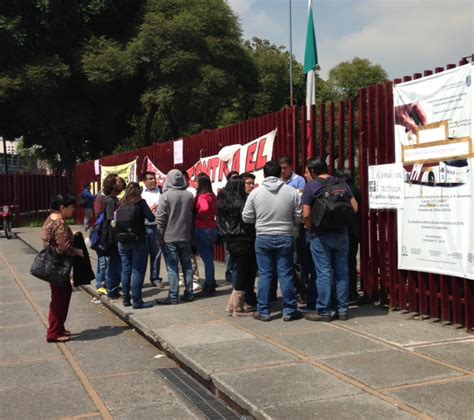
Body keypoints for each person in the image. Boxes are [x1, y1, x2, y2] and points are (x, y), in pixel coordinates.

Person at [242, 161, 303, 322]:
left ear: (264, 174)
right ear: (280, 173)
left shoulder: (256, 193)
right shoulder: (291, 192)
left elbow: (246, 216)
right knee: (286, 274)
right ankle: (290, 310)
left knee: (265, 275)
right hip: (285, 235)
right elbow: (298, 216)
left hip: (263, 236)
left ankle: (263, 310)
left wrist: (259, 219)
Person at [302, 158, 358, 322]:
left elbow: (305, 214)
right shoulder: (341, 182)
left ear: (313, 171)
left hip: (321, 235)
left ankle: (324, 311)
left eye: (306, 172)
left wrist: (310, 227)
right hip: (341, 234)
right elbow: (354, 207)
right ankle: (342, 310)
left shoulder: (311, 186)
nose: (305, 175)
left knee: (324, 273)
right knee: (342, 272)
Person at [42, 194, 84, 343]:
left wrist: (71, 235)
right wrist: (77, 251)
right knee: (59, 298)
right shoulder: (59, 222)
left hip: (53, 264)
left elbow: (56, 239)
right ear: (62, 208)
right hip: (58, 265)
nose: (73, 211)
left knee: (62, 294)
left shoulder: (51, 218)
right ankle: (53, 332)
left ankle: (58, 327)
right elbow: (63, 247)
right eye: (72, 207)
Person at [217, 177, 257, 316]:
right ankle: (238, 308)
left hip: (230, 239)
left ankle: (231, 305)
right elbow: (248, 220)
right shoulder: (242, 202)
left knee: (239, 271)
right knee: (244, 273)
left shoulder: (223, 202)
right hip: (244, 239)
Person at [156, 169, 195, 304]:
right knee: (187, 266)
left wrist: (159, 236)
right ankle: (189, 292)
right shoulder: (189, 195)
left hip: (169, 236)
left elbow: (161, 219)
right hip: (185, 235)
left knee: (173, 267)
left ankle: (173, 296)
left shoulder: (165, 196)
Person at [116, 182, 155, 309]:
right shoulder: (141, 203)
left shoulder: (121, 203)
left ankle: (126, 299)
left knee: (125, 269)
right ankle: (137, 301)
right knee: (137, 271)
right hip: (138, 240)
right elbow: (151, 218)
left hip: (122, 240)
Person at [336, 168, 362, 303]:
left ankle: (342, 294)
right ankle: (352, 292)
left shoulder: (341, 191)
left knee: (339, 264)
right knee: (351, 263)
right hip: (355, 232)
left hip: (342, 230)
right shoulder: (356, 190)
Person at [194, 173, 218, 295]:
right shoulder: (212, 196)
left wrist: (199, 216)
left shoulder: (202, 197)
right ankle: (211, 280)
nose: (194, 184)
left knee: (206, 258)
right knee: (210, 257)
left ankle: (209, 284)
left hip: (202, 228)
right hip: (212, 228)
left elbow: (204, 209)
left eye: (196, 182)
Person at [103, 174, 125, 299]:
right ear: (112, 184)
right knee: (114, 262)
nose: (121, 183)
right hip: (113, 236)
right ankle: (111, 289)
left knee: (116, 262)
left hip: (116, 235)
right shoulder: (110, 200)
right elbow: (111, 219)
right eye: (118, 181)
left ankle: (113, 288)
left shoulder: (115, 199)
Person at [141, 171, 163, 288]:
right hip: (143, 227)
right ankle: (140, 279)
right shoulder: (139, 193)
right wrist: (147, 210)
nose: (153, 180)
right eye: (150, 179)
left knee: (157, 254)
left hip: (157, 227)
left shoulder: (162, 191)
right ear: (144, 181)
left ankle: (155, 278)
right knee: (142, 255)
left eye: (154, 178)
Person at [224, 171, 239, 284]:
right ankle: (229, 272)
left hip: (240, 231)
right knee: (229, 253)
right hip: (228, 229)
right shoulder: (225, 195)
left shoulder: (242, 194)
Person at [93, 189, 108, 295]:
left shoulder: (101, 198)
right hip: (101, 239)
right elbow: (98, 212)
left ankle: (104, 284)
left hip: (104, 237)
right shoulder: (101, 199)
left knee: (104, 262)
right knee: (102, 263)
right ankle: (99, 284)